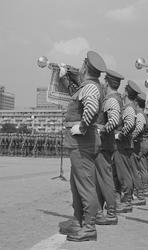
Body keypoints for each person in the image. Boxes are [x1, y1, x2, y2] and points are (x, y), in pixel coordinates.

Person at [61, 51, 106, 242]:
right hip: (79, 143)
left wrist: (83, 125)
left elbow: (91, 108)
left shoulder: (90, 87)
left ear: (86, 67)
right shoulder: (86, 86)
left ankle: (89, 226)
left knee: (85, 185)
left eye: (82, 64)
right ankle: (79, 221)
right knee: (77, 184)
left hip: (82, 143)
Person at [95, 69, 124, 225]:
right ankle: (99, 210)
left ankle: (111, 212)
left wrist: (102, 129)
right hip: (105, 144)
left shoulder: (111, 99)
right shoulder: (113, 98)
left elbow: (114, 121)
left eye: (104, 82)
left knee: (105, 179)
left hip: (104, 143)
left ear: (107, 83)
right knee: (100, 178)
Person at [112, 80, 141, 213]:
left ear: (127, 92)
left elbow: (129, 125)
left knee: (123, 174)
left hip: (122, 145)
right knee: (124, 173)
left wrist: (120, 136)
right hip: (125, 145)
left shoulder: (129, 107)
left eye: (124, 91)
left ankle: (127, 199)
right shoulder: (131, 107)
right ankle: (126, 197)